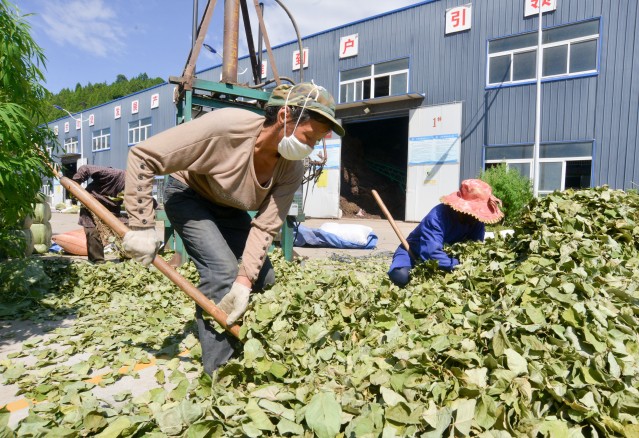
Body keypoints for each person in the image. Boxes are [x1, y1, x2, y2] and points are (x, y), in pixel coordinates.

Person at [121, 82, 345, 374]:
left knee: (263, 277)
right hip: (188, 194)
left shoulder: (292, 168)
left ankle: (244, 340)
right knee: (222, 272)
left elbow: (265, 226)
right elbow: (143, 156)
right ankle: (221, 371)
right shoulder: (226, 128)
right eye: (308, 137)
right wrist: (140, 224)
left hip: (227, 208)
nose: (310, 147)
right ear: (284, 116)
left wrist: (245, 281)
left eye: (316, 142)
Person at [388, 179, 503, 287]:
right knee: (401, 276)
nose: (474, 218)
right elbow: (431, 253)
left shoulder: (476, 221)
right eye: (471, 212)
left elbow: (475, 247)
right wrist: (459, 266)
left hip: (447, 258)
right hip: (413, 252)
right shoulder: (438, 217)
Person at [71, 165, 127, 264]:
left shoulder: (135, 187)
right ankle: (97, 262)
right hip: (91, 204)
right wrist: (75, 184)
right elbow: (86, 168)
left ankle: (127, 259)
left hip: (112, 208)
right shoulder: (112, 174)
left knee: (126, 230)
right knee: (93, 232)